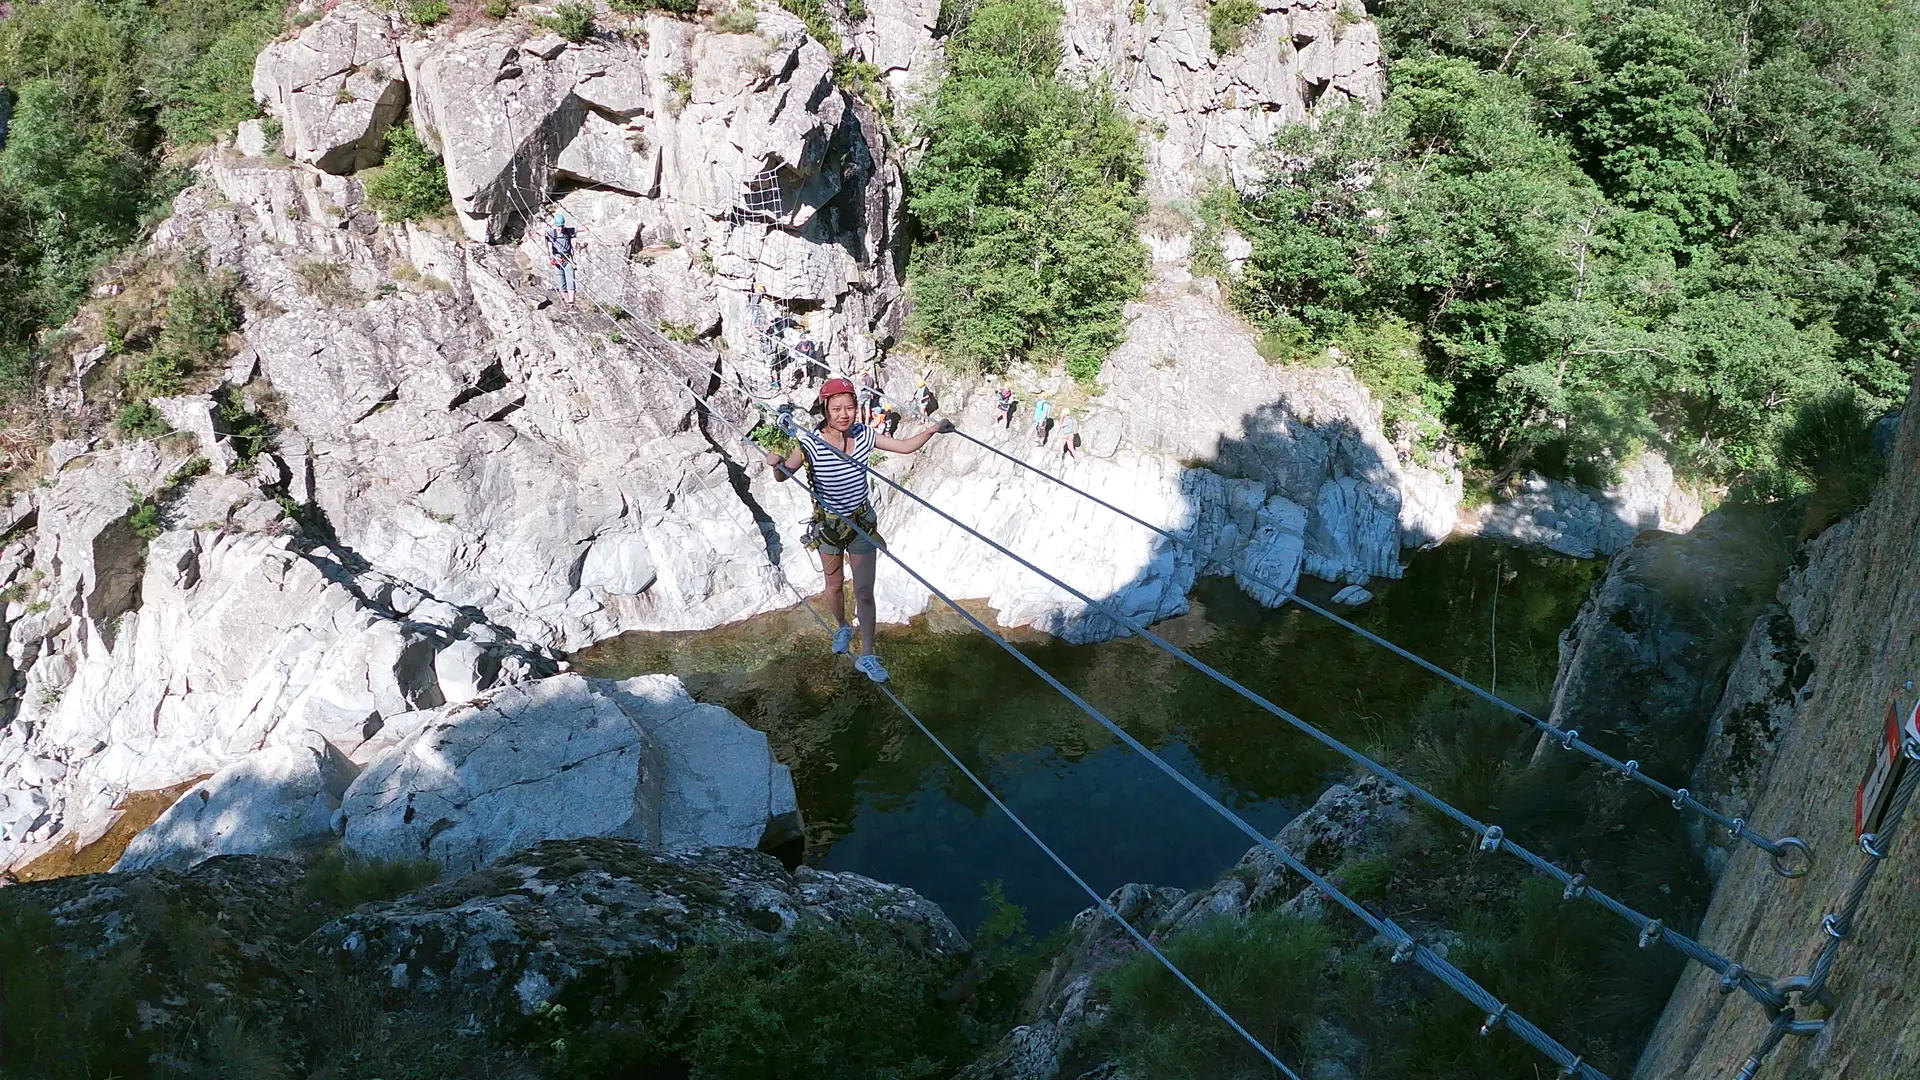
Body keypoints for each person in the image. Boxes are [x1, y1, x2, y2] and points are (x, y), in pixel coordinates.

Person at [767, 377, 954, 682]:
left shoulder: (864, 435)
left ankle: (867, 654)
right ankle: (843, 626)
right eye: (837, 408)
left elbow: (904, 447)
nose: (844, 414)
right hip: (828, 526)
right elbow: (784, 474)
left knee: (864, 591)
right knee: (834, 585)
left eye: (850, 408)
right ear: (825, 410)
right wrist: (776, 463)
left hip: (861, 523)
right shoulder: (810, 443)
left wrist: (932, 430)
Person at [546, 211, 578, 308]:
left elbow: (579, 229)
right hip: (557, 261)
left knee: (570, 281)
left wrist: (587, 227)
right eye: (558, 226)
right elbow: (542, 232)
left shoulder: (568, 231)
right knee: (561, 283)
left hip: (567, 259)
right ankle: (567, 302)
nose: (560, 228)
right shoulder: (552, 232)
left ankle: (571, 302)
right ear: (555, 225)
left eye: (561, 226)